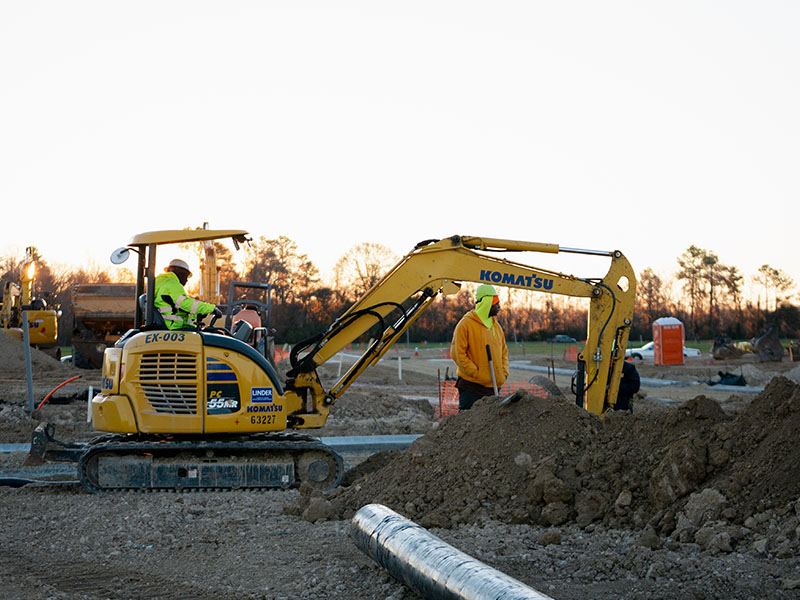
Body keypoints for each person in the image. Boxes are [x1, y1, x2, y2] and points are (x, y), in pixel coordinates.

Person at [450, 284, 509, 410]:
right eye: (495, 303)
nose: (499, 307)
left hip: (493, 388)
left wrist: (504, 372)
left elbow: (504, 353)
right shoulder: (466, 325)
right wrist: (475, 372)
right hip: (472, 388)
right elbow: (457, 353)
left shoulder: (496, 327)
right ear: (486, 302)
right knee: (469, 425)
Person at [153, 259, 220, 330]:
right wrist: (211, 309)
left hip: (169, 324)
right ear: (181, 273)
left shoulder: (160, 283)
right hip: (175, 327)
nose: (187, 280)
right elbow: (183, 303)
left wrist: (198, 313)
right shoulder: (173, 285)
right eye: (186, 276)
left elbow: (177, 310)